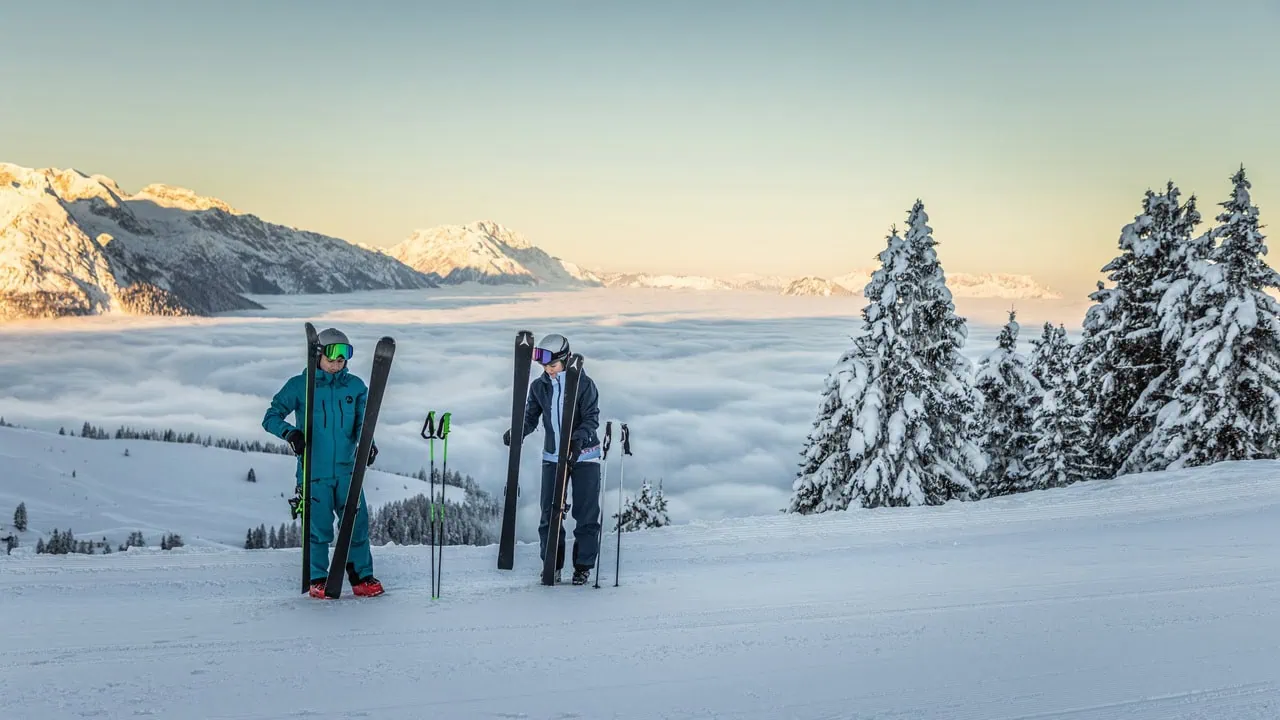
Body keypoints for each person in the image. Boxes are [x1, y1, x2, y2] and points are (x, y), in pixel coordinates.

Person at [262, 327, 383, 598]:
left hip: (347, 471)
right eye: (332, 357)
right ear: (318, 355)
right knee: (318, 529)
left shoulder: (356, 387)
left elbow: (364, 422)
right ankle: (318, 578)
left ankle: (361, 577)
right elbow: (270, 416)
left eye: (343, 358)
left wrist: (368, 444)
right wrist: (290, 433)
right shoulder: (300, 386)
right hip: (313, 472)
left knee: (357, 525)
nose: (337, 363)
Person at [504, 333, 602, 585]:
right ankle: (552, 564)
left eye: (553, 365)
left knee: (585, 513)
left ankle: (583, 566)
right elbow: (530, 417)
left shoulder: (583, 384)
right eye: (545, 366)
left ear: (566, 359)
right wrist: (518, 431)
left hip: (585, 456)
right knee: (550, 514)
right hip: (552, 456)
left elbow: (592, 418)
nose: (548, 370)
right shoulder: (539, 387)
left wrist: (578, 439)